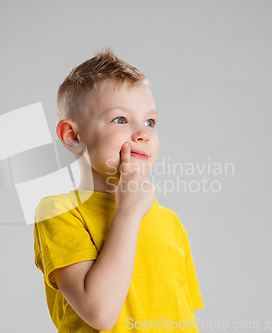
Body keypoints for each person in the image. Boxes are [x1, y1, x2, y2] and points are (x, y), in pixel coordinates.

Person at [33, 46, 204, 332]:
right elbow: (99, 313)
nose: (143, 133)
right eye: (121, 120)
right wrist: (127, 212)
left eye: (150, 122)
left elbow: (182, 317)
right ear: (72, 136)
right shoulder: (58, 211)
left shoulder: (170, 222)